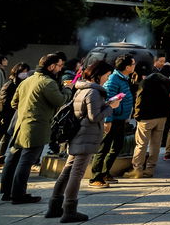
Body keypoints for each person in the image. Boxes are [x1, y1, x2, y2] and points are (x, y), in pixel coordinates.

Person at [48, 59, 119, 223]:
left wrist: (106, 104)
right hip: (86, 136)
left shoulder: (82, 89)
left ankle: (54, 206)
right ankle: (69, 211)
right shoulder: (93, 92)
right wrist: (111, 107)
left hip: (78, 134)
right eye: (107, 75)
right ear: (98, 75)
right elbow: (94, 117)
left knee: (67, 171)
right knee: (76, 174)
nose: (107, 79)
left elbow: (87, 112)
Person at [0, 53, 67, 204]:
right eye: (60, 65)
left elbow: (13, 103)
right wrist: (67, 89)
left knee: (13, 158)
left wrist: (28, 107)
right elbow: (60, 100)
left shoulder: (27, 80)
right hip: (35, 127)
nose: (60, 68)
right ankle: (18, 195)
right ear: (51, 66)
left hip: (20, 125)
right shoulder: (48, 82)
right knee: (25, 161)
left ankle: (6, 192)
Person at [88, 54, 134, 187]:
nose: (134, 66)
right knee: (104, 147)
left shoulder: (124, 78)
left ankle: (105, 172)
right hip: (112, 119)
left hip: (120, 119)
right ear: (127, 67)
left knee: (117, 146)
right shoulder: (114, 79)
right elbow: (108, 101)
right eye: (133, 64)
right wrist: (108, 120)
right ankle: (96, 176)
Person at [128, 58, 170, 178]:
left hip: (146, 117)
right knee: (156, 144)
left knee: (141, 144)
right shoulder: (167, 81)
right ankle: (150, 169)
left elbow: (139, 100)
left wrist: (137, 115)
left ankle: (137, 169)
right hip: (162, 116)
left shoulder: (146, 82)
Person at [0, 61, 28, 170]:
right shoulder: (9, 84)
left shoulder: (20, 84)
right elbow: (3, 101)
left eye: (26, 72)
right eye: (23, 72)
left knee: (6, 138)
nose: (25, 74)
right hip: (2, 116)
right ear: (17, 72)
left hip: (11, 116)